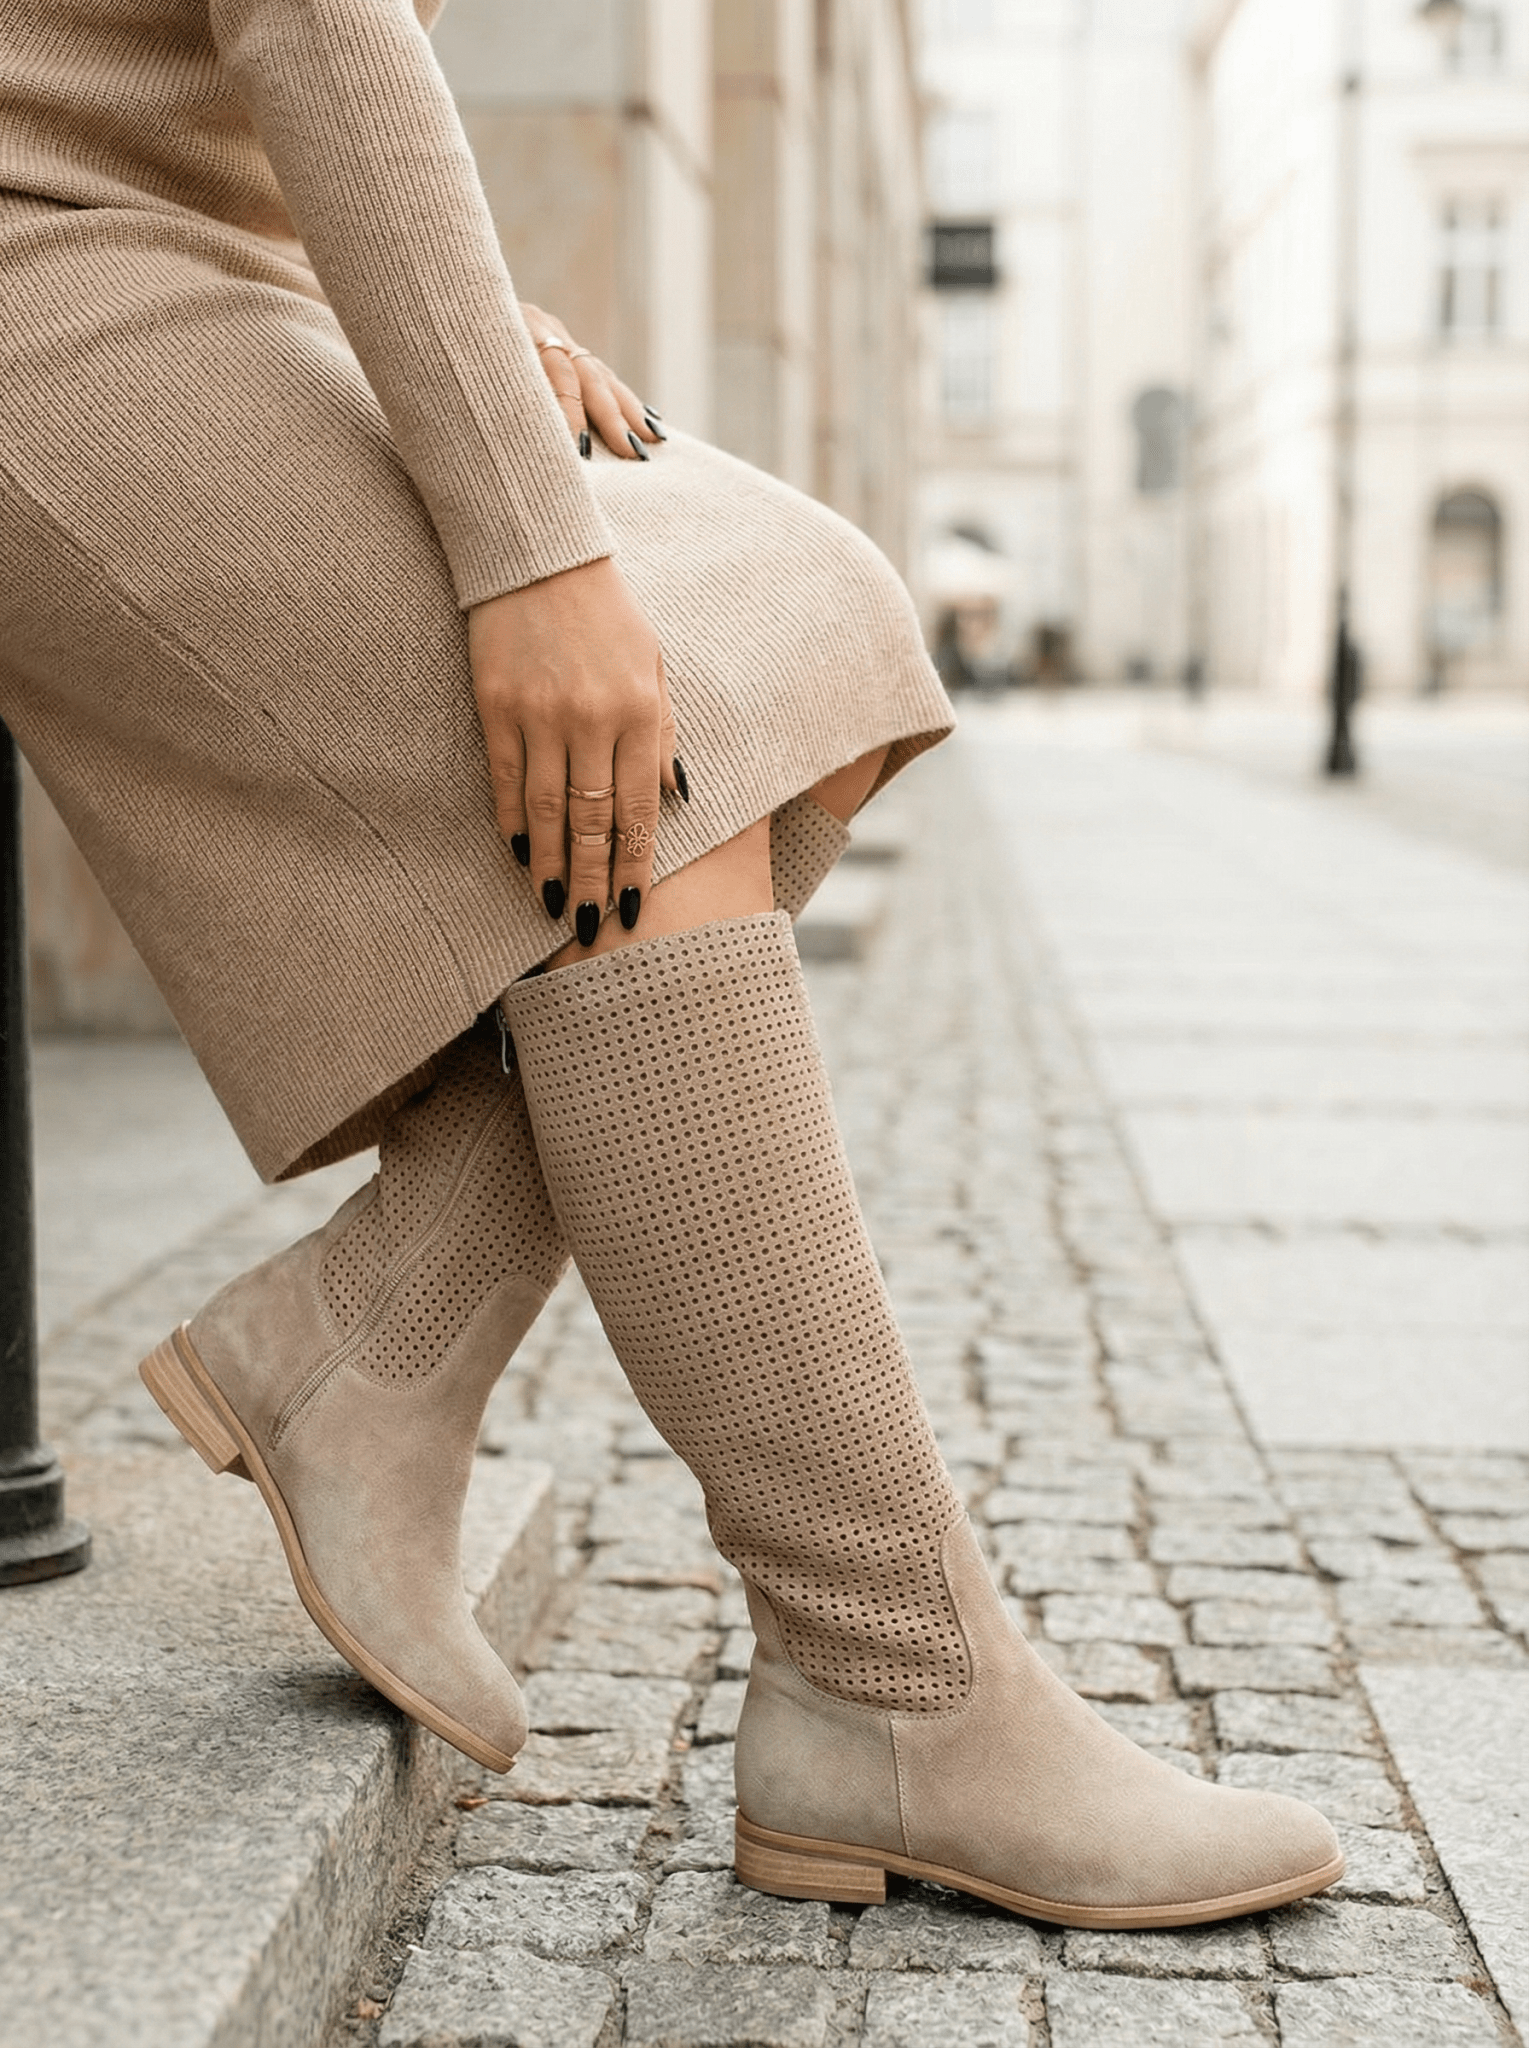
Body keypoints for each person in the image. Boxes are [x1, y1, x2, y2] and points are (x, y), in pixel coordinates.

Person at [0, 0, 1341, 1930]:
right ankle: (888, 1675)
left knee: (825, 612)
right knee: (657, 762)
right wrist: (521, 551)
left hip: (211, 245)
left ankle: (379, 1338)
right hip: (40, 253)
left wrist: (470, 329)